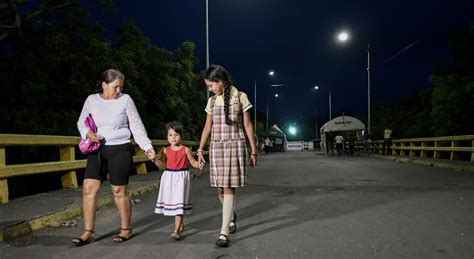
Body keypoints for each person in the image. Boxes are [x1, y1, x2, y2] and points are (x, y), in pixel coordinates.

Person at [72, 69, 156, 246]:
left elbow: (136, 125)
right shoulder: (91, 100)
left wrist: (147, 147)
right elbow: (81, 121)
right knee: (88, 188)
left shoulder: (125, 100)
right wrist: (88, 134)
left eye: (121, 87)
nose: (119, 91)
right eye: (115, 87)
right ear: (104, 85)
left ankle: (125, 228)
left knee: (119, 191)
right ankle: (88, 231)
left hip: (120, 149)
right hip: (97, 149)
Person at [196, 64, 257, 247]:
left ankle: (224, 232)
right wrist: (200, 150)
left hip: (234, 146)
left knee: (228, 187)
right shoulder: (212, 101)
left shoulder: (240, 96)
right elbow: (208, 127)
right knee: (219, 189)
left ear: (220, 82)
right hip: (216, 147)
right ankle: (230, 214)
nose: (209, 89)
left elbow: (247, 125)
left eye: (211, 85)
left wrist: (253, 150)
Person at [151, 121, 203, 241]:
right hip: (168, 177)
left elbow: (193, 162)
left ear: (181, 136)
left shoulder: (185, 150)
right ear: (167, 137)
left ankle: (176, 230)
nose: (173, 137)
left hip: (181, 177)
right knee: (174, 203)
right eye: (170, 135)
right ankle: (181, 224)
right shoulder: (165, 150)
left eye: (176, 135)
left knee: (179, 203)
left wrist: (198, 165)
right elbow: (162, 166)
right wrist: (154, 160)